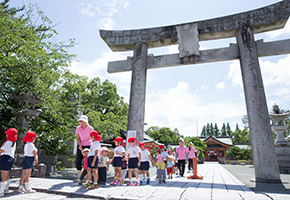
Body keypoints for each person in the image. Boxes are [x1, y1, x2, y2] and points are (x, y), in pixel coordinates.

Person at [75, 115, 93, 182]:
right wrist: (80, 145)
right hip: (81, 144)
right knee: (78, 160)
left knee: (87, 162)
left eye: (83, 121)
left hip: (88, 145)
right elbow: (78, 137)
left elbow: (92, 137)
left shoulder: (90, 128)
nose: (81, 122)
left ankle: (86, 177)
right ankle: (80, 176)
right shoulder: (78, 128)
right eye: (80, 121)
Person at [0, 128, 18, 196]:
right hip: (10, 158)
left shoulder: (8, 142)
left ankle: (1, 192)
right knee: (7, 174)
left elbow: (1, 150)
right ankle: (6, 189)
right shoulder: (13, 142)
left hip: (5, 158)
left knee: (3, 175)